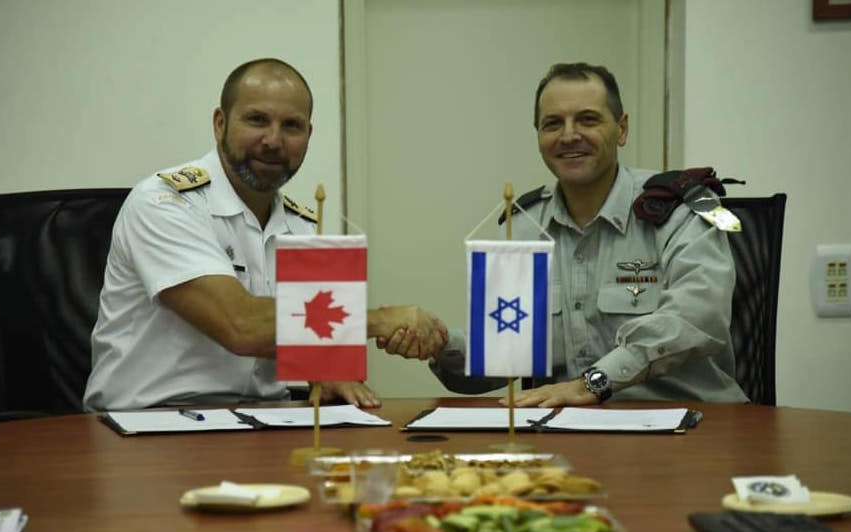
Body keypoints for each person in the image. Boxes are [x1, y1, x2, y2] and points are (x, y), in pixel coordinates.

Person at [84, 58, 446, 412]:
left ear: (308, 136)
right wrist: (381, 320)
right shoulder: (164, 203)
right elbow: (241, 326)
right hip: (148, 425)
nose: (273, 141)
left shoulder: (305, 228)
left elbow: (315, 343)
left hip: (266, 420)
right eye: (257, 120)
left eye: (292, 126)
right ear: (220, 123)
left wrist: (327, 371)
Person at [384, 62, 746, 406]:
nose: (569, 135)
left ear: (621, 129)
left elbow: (697, 318)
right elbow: (506, 354)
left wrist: (593, 383)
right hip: (568, 431)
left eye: (587, 119)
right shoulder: (525, 225)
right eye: (553, 123)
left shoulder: (680, 209)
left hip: (692, 426)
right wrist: (441, 343)